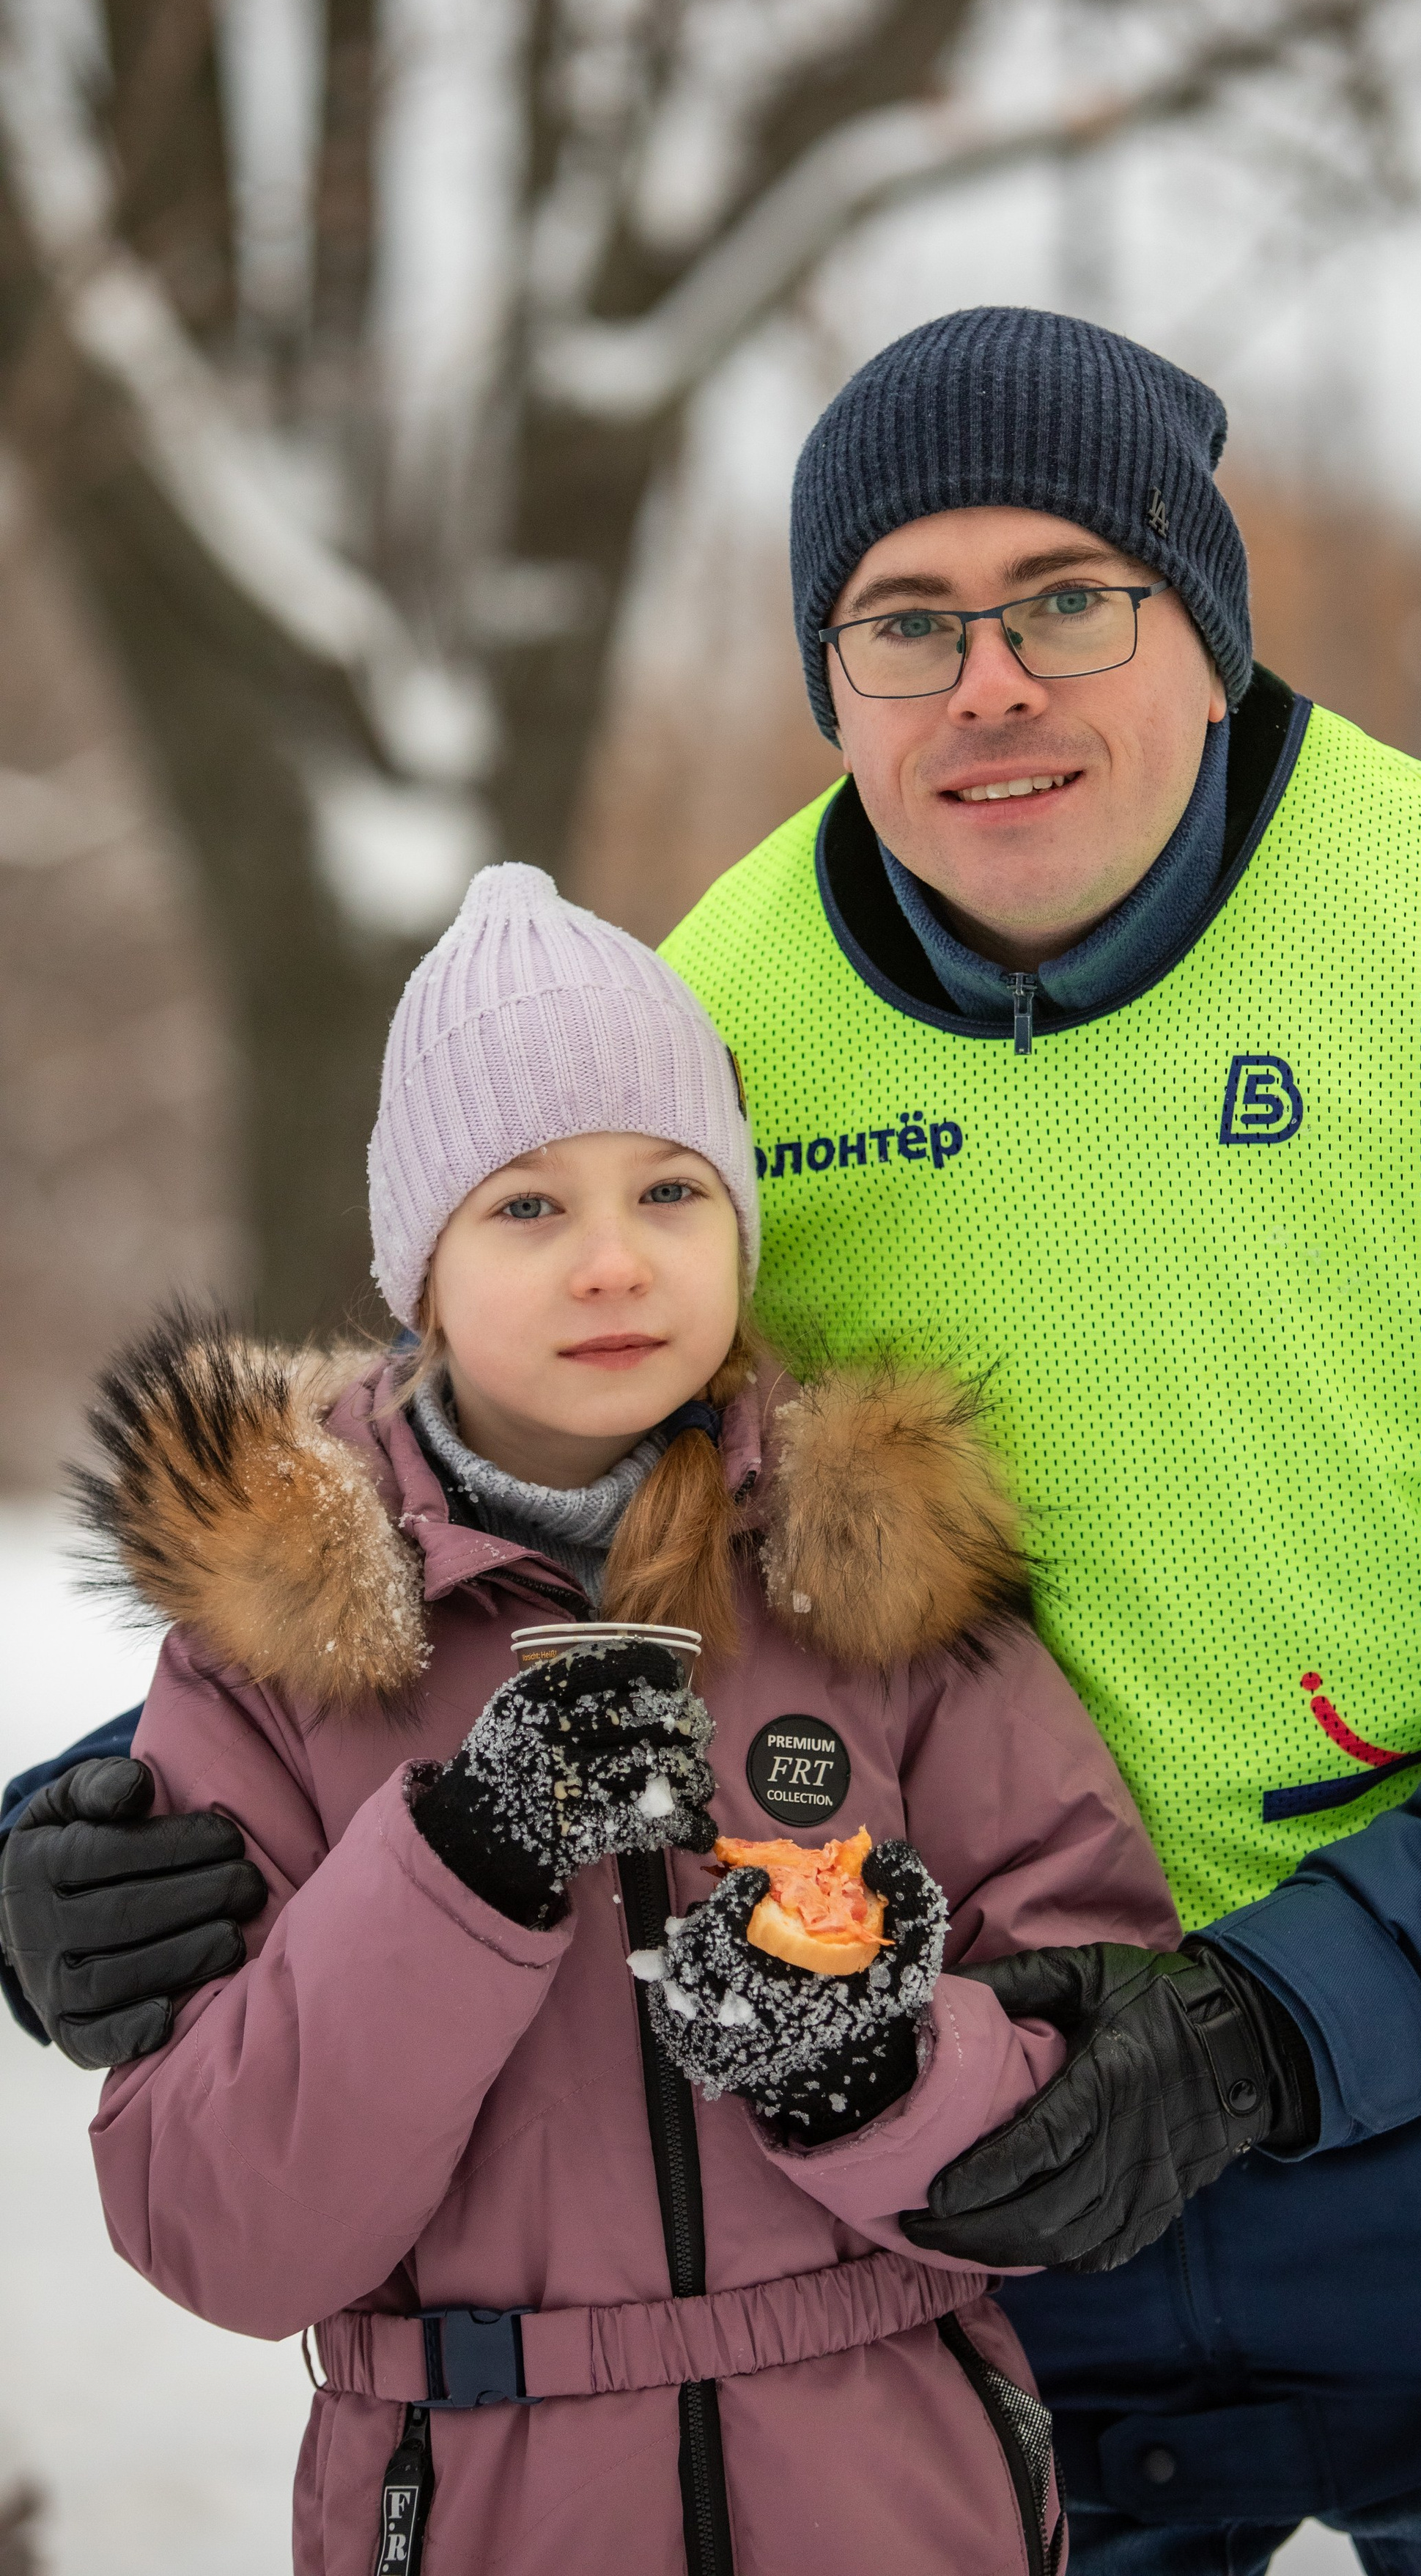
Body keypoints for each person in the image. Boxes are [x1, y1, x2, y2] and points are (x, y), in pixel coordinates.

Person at [7, 306, 1421, 2575]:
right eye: (906, 622)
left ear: (1203, 635)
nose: (989, 681)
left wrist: (1276, 2028)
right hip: (982, 2301)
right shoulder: (721, 1052)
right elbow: (531, 1511)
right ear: (835, 684)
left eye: (1068, 595)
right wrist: (128, 1820)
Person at [43, 861, 1191, 2576]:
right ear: (417, 1265)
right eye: (525, 1208)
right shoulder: (274, 1645)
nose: (611, 1265)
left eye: (668, 1191)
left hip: (889, 2495)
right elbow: (222, 2232)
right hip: (482, 2498)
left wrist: (878, 2065)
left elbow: (1096, 2055)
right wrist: (459, 1868)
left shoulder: (874, 1570)